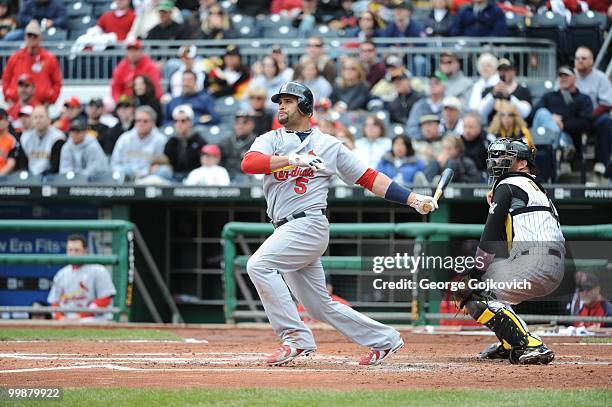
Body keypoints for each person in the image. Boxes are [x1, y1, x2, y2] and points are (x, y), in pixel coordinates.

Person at [240, 81, 438, 366]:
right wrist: (289, 159)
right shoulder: (271, 139)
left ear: (305, 106)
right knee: (319, 306)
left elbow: (369, 178)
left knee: (259, 265)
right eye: (279, 101)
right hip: (284, 227)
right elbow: (249, 163)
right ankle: (385, 340)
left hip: (308, 224)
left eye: (289, 100)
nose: (281, 105)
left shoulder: (328, 145)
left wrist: (413, 199)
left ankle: (295, 338)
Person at [454, 138, 564, 365]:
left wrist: (475, 273)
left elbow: (491, 235)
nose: (496, 161)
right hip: (545, 263)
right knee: (476, 284)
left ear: (523, 163)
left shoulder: (510, 183)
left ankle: (530, 344)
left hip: (536, 262)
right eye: (494, 156)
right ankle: (510, 341)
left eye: (504, 156)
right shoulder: (530, 187)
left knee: (473, 290)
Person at [47, 234, 117, 321]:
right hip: (67, 319)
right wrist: (60, 318)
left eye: (77, 250)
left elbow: (105, 299)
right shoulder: (61, 274)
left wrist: (81, 316)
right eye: (70, 250)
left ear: (85, 251)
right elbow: (54, 302)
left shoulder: (98, 270)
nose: (72, 254)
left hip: (94, 318)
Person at [532, 66, 593, 163]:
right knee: (542, 113)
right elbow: (534, 114)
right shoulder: (549, 96)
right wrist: (551, 118)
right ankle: (564, 144)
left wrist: (563, 125)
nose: (563, 78)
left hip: (572, 137)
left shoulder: (583, 99)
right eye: (560, 75)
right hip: (546, 137)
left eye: (566, 75)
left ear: (574, 77)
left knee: (544, 114)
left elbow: (586, 123)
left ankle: (561, 149)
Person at [1, 20, 62, 106]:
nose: (32, 38)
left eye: (35, 36)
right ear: (25, 37)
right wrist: (8, 97)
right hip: (16, 105)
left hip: (40, 106)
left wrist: (50, 100)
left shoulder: (49, 58)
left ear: (40, 38)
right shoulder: (15, 57)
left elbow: (57, 82)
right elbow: (5, 79)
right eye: (29, 35)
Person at [573, 46, 612, 179]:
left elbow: (607, 104)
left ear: (592, 61)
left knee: (606, 120)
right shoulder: (568, 75)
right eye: (577, 58)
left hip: (594, 117)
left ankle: (601, 162)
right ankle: (568, 159)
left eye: (584, 58)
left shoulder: (601, 77)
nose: (580, 61)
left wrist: (588, 116)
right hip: (573, 118)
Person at [110, 106, 168, 181]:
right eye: (138, 121)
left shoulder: (161, 140)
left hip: (151, 178)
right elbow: (115, 163)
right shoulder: (125, 139)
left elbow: (166, 163)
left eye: (145, 121)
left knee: (164, 171)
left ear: (153, 123)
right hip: (128, 177)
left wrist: (158, 166)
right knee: (123, 171)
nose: (141, 124)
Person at [478, 58, 532, 123]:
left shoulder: (523, 90)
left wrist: (509, 97)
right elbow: (481, 112)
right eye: (500, 70)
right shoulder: (489, 90)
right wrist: (493, 96)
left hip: (516, 129)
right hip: (494, 130)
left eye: (507, 70)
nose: (503, 73)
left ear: (514, 72)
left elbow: (525, 113)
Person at [163, 104, 205, 181]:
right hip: (174, 177)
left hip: (195, 177)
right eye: (176, 121)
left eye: (183, 121)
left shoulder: (199, 141)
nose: (179, 124)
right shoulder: (171, 142)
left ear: (190, 122)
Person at [20, 105, 65, 176]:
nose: (38, 120)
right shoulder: (25, 137)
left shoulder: (58, 138)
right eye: (35, 117)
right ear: (32, 120)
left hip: (50, 178)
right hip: (29, 177)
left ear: (49, 120)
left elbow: (56, 166)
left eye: (41, 117)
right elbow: (22, 163)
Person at [219, 110, 257, 182]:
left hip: (248, 180)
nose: (240, 126)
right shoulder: (225, 142)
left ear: (252, 125)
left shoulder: (258, 143)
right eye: (237, 122)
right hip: (226, 180)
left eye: (245, 122)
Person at [405, 72, 446, 139]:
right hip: (422, 144)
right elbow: (411, 128)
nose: (432, 86)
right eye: (430, 83)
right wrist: (425, 136)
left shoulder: (448, 105)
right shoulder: (419, 106)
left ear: (444, 86)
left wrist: (440, 135)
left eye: (436, 83)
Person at [0, 108, 19, 177]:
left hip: (6, 179)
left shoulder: (12, 140)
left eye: (1, 118)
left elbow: (11, 163)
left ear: (7, 122)